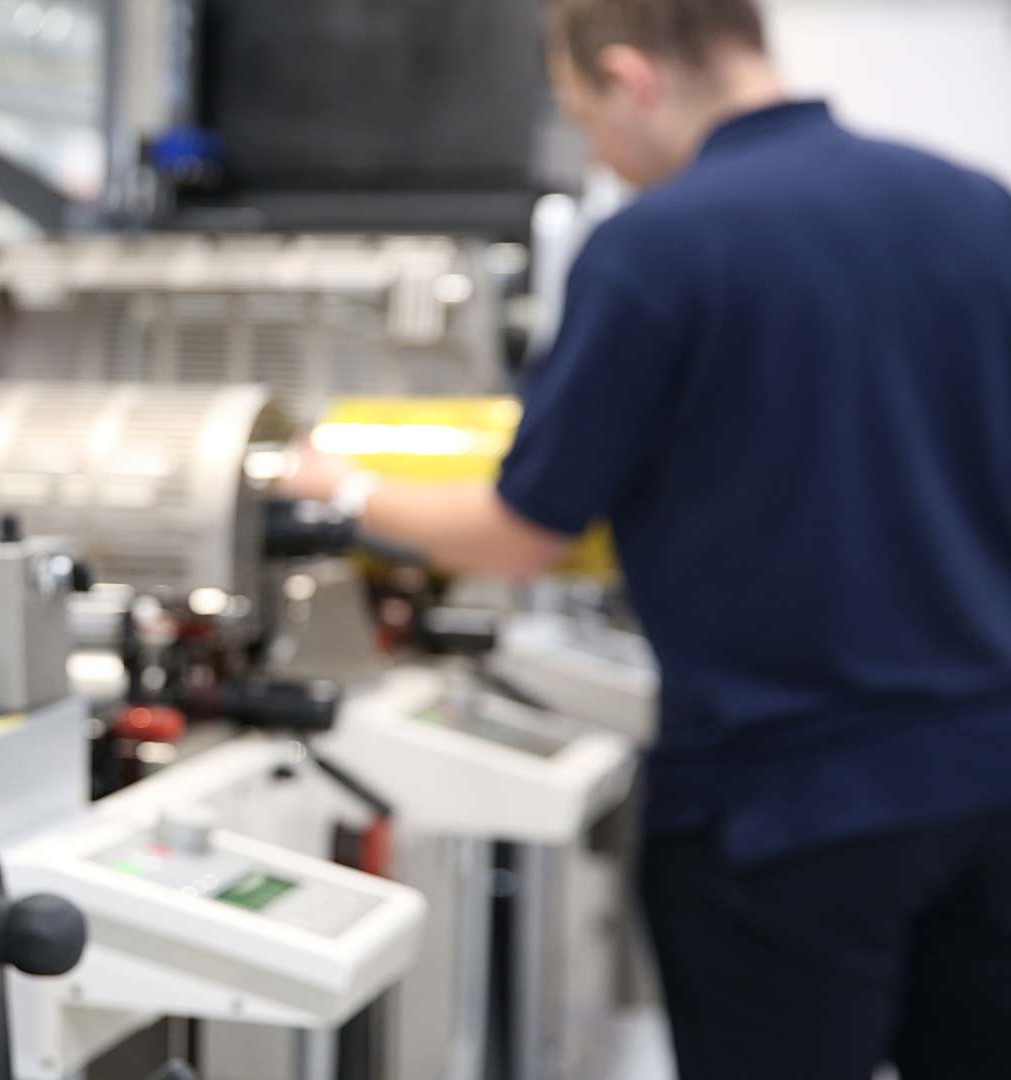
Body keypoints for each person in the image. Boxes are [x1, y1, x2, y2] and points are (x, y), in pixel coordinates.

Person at [281, 1, 1011, 1077]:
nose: (597, 150)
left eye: (584, 115)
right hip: (989, 784)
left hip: (784, 810)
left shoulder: (658, 248)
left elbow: (525, 533)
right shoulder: (977, 209)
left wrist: (336, 485)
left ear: (631, 78)